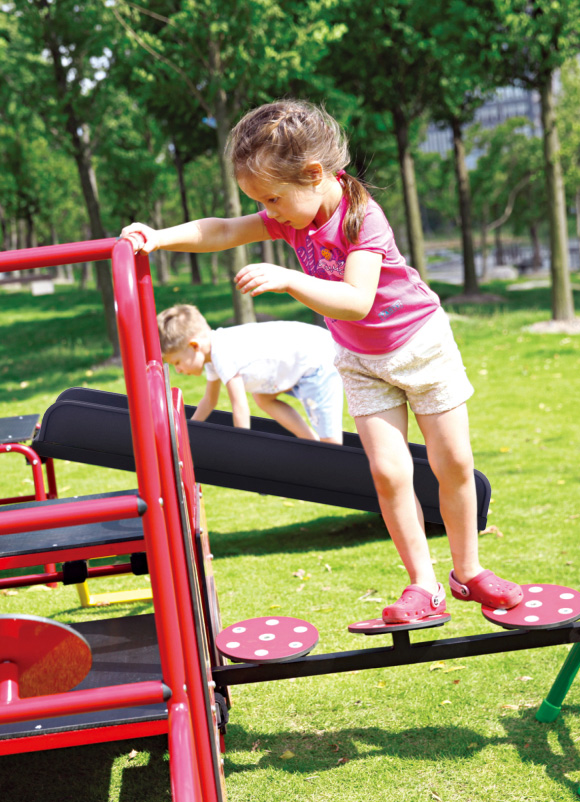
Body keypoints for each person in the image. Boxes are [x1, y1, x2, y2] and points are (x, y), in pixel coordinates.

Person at [121, 99, 523, 623]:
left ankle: (467, 572)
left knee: (454, 464)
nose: (269, 211)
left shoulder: (362, 218)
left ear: (314, 174)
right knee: (388, 472)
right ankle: (423, 586)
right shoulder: (292, 215)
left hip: (420, 346)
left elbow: (357, 300)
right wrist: (159, 238)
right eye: (260, 201)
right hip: (360, 358)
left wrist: (289, 279)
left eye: (273, 198)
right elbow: (222, 231)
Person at [156, 303, 344, 444]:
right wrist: (187, 433)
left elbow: (239, 406)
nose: (178, 370)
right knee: (262, 397)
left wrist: (243, 446)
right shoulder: (213, 355)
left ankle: (333, 464)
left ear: (195, 346)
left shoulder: (222, 353)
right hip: (301, 360)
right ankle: (310, 442)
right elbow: (209, 401)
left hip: (316, 361)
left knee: (330, 440)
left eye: (177, 362)